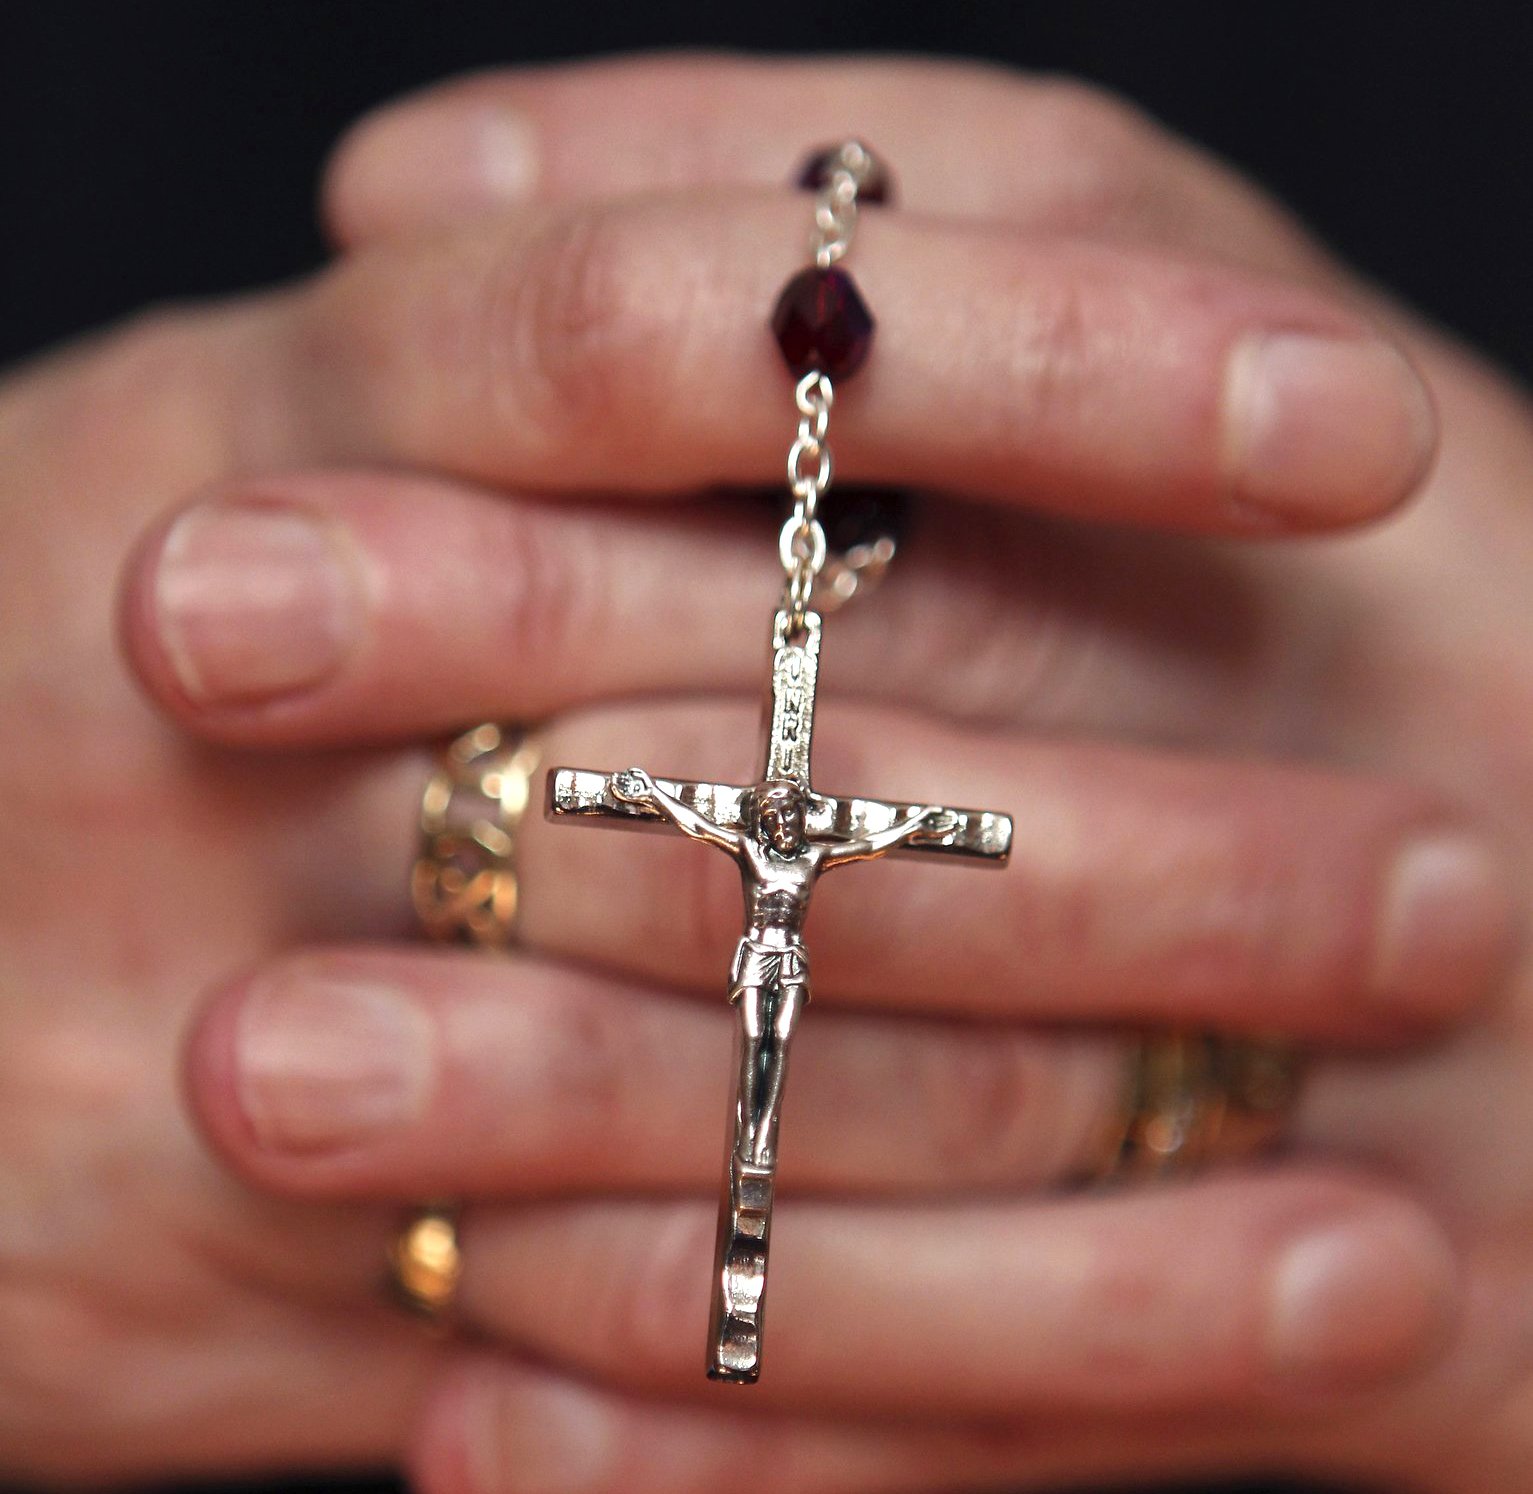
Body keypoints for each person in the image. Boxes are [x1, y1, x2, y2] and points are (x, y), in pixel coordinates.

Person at [0, 50, 1529, 1494]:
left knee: (762, 1059)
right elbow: (671, 803)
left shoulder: (797, 827)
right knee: (766, 1084)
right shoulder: (751, 817)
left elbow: (886, 825)